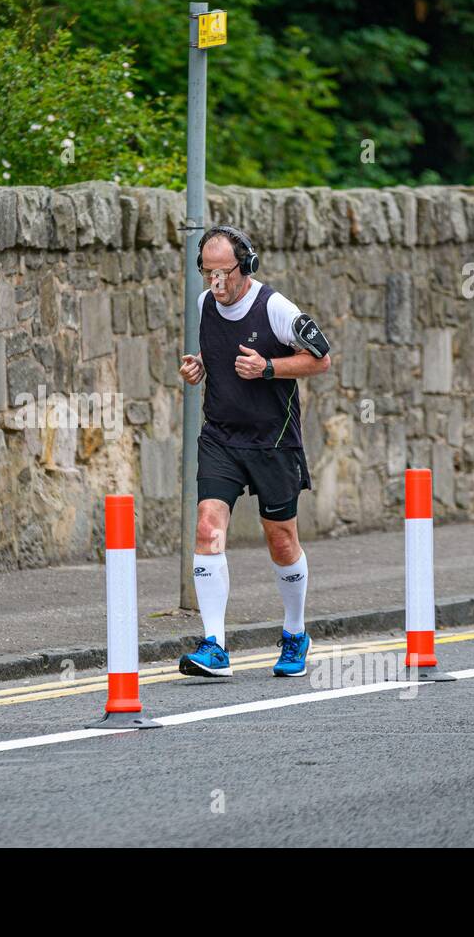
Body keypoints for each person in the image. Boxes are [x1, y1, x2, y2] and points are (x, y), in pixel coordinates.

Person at [176, 225, 331, 677]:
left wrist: (268, 368)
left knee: (280, 539)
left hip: (274, 439)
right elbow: (217, 354)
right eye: (208, 273)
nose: (216, 284)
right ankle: (215, 645)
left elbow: (321, 359)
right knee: (207, 526)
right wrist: (199, 367)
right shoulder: (206, 304)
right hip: (222, 436)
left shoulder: (275, 308)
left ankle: (295, 633)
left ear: (246, 267)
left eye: (224, 273)